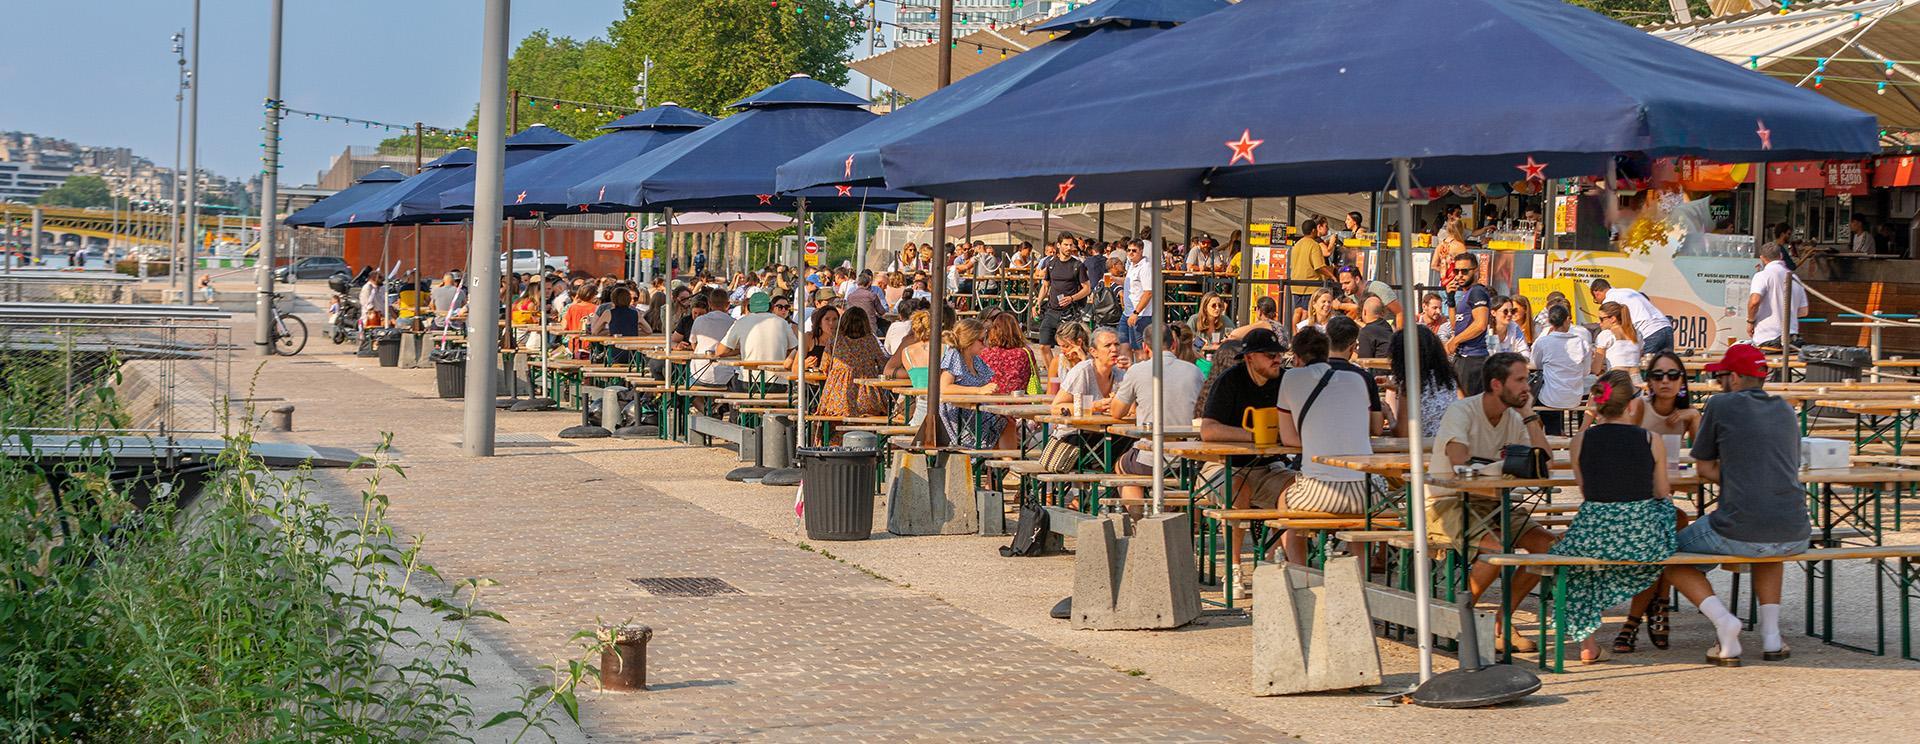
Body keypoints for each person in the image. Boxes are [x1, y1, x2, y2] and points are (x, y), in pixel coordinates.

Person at [1663, 344, 1808, 666]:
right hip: (1794, 527)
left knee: (1667, 555)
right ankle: (1771, 636)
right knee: (1769, 546)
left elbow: (1703, 468)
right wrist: (1752, 475)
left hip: (1740, 524)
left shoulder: (1720, 404)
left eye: (1721, 376)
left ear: (1736, 378)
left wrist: (1740, 477)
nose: (1718, 382)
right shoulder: (1785, 408)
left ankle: (1724, 623)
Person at [1425, 352, 1557, 650]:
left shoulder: (1514, 417)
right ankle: (1460, 622)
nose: (1528, 387)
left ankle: (1502, 623)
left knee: (1549, 548)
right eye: (1520, 380)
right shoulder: (1463, 411)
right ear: (1497, 384)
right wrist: (1508, 466)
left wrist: (1530, 415)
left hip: (1495, 502)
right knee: (1497, 549)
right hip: (1448, 501)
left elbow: (1543, 464)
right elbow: (1459, 465)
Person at [1548, 369, 1680, 663]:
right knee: (1672, 523)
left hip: (1595, 531)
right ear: (1632, 405)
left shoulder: (1580, 441)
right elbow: (1661, 490)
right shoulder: (1651, 438)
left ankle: (1588, 644)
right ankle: (1652, 607)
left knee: (1567, 565)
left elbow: (1586, 491)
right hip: (1642, 539)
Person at [1270, 319, 1384, 564]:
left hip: (1320, 491)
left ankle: (1299, 571)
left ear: (1297, 358)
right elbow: (1365, 428)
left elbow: (1289, 439)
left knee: (1284, 501)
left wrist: (1317, 438)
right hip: (1368, 492)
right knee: (1361, 523)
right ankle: (1360, 577)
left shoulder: (1291, 379)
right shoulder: (1358, 379)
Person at [1197, 327, 1291, 596]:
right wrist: (1254, 435)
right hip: (1221, 466)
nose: (1277, 360)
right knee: (1238, 488)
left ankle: (1269, 563)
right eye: (1271, 355)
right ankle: (1234, 570)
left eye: (1280, 355)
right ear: (1250, 358)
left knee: (1297, 491)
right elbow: (1208, 430)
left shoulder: (1285, 381)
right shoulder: (1230, 380)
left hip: (1268, 468)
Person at [1111, 324, 1207, 512]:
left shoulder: (1137, 371)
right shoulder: (1194, 371)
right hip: (1187, 457)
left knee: (1123, 467)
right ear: (1174, 345)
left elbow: (1116, 412)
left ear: (1146, 348)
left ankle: (1139, 521)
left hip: (1151, 457)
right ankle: (1179, 518)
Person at [713, 292, 798, 394]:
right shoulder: (782, 323)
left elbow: (720, 351)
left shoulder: (741, 322)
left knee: (734, 380)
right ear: (770, 307)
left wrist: (740, 350)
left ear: (749, 307)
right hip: (777, 382)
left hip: (748, 382)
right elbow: (794, 349)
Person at [937, 319, 1004, 447]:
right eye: (982, 340)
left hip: (977, 411)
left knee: (1007, 423)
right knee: (1003, 425)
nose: (985, 344)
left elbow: (986, 385)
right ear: (970, 339)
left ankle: (1003, 465)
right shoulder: (954, 354)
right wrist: (979, 390)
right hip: (960, 415)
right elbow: (945, 388)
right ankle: (993, 464)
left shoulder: (976, 359)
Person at [815, 306, 889, 422]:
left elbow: (825, 367)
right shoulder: (870, 340)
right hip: (867, 397)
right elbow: (883, 365)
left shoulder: (835, 339)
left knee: (829, 419)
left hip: (838, 397)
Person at [1384, 325, 1456, 438]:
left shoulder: (1410, 384)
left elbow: (1402, 433)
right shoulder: (1451, 380)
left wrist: (1388, 413)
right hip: (1452, 445)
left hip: (1423, 451)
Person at [979, 313, 1039, 448]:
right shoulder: (1025, 353)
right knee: (1006, 423)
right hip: (1018, 408)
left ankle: (992, 465)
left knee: (998, 423)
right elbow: (1034, 377)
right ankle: (1008, 462)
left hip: (989, 408)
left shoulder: (985, 353)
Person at [1530, 303, 1591, 434]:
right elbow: (1586, 372)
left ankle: (1554, 435)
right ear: (1567, 320)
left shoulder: (1543, 342)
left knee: (1538, 400)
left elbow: (1535, 365)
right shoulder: (1582, 343)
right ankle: (1561, 435)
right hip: (1575, 396)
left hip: (1550, 398)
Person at [1443, 252, 1492, 394]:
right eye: (1456, 271)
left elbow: (1480, 324)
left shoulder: (1477, 292)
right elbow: (1455, 326)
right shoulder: (1467, 294)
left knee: (1467, 406)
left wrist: (1455, 341)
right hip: (1464, 357)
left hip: (1473, 359)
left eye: (1464, 271)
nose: (1459, 275)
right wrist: (1450, 299)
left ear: (1475, 271)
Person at [1747, 240, 1808, 349]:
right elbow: (1804, 311)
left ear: (1762, 258)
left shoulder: (1762, 275)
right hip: (1792, 340)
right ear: (1780, 256)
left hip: (1766, 338)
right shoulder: (1795, 278)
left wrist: (1750, 321)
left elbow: (1754, 301)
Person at [1589, 278, 1672, 356]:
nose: (1599, 302)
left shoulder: (1609, 300)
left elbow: (1611, 326)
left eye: (1596, 300)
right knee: (1668, 365)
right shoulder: (1628, 291)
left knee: (1647, 367)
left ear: (1597, 293)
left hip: (1648, 332)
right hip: (1666, 326)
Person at [1036, 237, 1092, 346]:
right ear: (1058, 245)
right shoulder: (1051, 264)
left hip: (1070, 312)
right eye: (1066, 245)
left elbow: (1087, 289)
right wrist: (1038, 303)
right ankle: (1052, 364)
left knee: (1069, 346)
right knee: (1043, 346)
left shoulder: (1077, 265)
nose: (1069, 248)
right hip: (1051, 311)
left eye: (1071, 245)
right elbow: (1045, 286)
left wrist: (1071, 298)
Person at [1287, 217, 1334, 320]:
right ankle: (1304, 333)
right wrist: (1332, 276)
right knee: (1306, 311)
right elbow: (1319, 267)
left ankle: (1295, 334)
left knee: (1297, 311)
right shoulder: (1314, 245)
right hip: (1310, 283)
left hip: (1295, 283)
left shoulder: (1297, 245)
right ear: (1313, 230)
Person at [687, 292, 736, 390]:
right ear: (728, 304)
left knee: (687, 386)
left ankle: (702, 406)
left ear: (709, 303)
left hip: (699, 373)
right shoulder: (734, 322)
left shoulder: (699, 320)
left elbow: (693, 345)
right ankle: (715, 405)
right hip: (726, 376)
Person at [1331, 265, 1400, 324]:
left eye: (1347, 283)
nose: (1343, 287)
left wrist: (1398, 336)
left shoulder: (1379, 288)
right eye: (1342, 284)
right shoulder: (1349, 294)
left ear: (1357, 279)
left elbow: (1400, 313)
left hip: (1388, 330)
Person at [1592, 300, 1642, 380]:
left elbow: (1596, 369)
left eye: (1601, 319)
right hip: (1637, 380)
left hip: (1617, 380)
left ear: (1612, 319)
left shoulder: (1606, 335)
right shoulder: (1636, 333)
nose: (1599, 322)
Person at [1121, 240, 1155, 355]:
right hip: (1127, 313)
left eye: (1134, 251)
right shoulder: (1131, 264)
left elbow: (1148, 292)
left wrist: (1136, 312)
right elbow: (1130, 284)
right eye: (1128, 250)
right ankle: (1128, 371)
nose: (1130, 253)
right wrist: (1113, 279)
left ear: (1141, 251)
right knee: (1123, 345)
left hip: (1140, 315)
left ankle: (1141, 371)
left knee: (1139, 349)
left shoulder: (1145, 267)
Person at [1046, 322, 1090, 395]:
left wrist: (1083, 361)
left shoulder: (1092, 361)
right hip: (1063, 404)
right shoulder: (1058, 362)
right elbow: (1052, 393)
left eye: (1066, 346)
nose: (1062, 351)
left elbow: (1092, 388)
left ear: (1079, 342)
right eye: (1060, 346)